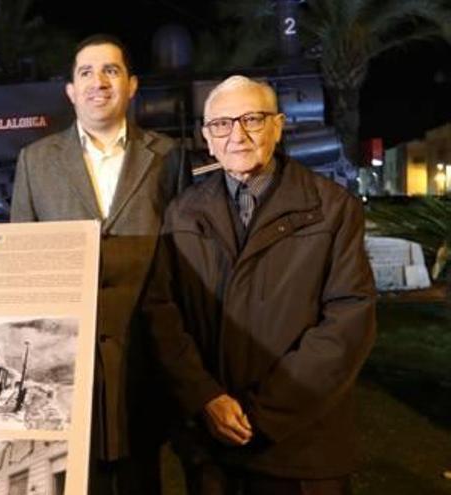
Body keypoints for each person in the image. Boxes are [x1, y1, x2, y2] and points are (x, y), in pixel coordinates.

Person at [141, 75, 377, 495]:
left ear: (278, 126)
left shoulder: (332, 209)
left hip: (302, 448)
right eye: (222, 124)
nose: (237, 134)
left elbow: (347, 323)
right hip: (212, 449)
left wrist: (263, 413)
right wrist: (205, 397)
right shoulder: (182, 213)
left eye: (252, 119)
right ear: (207, 139)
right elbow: (163, 313)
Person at [11, 33, 188, 495]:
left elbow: (185, 257)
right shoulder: (34, 161)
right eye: (86, 72)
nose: (98, 82)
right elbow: (20, 260)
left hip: (144, 354)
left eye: (111, 70)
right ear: (70, 90)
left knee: (143, 477)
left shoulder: (169, 157)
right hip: (68, 363)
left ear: (131, 85)